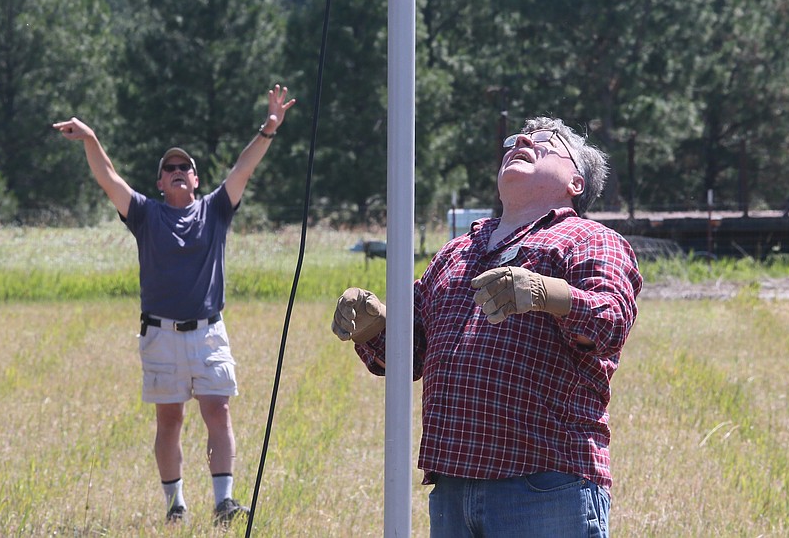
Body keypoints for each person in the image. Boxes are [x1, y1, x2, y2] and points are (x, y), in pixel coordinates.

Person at [332, 116, 642, 538]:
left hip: (547, 481)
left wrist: (545, 292)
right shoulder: (456, 252)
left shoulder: (589, 239)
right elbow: (412, 353)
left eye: (547, 143)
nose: (526, 143)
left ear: (576, 182)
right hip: (453, 486)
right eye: (518, 139)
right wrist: (374, 324)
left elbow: (610, 323)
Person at [53, 84, 295, 527]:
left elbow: (244, 167)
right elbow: (108, 177)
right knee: (170, 421)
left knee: (218, 411)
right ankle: (176, 505)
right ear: (160, 182)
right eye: (171, 168)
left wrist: (269, 128)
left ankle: (223, 502)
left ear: (197, 180)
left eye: (187, 167)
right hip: (161, 334)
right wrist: (90, 138)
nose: (179, 170)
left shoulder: (216, 210)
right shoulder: (145, 214)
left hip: (208, 332)